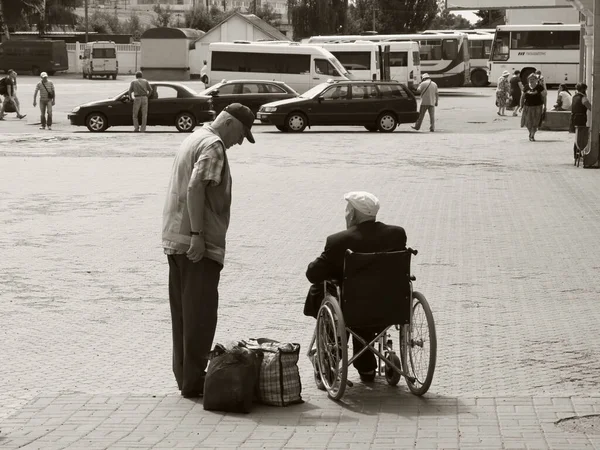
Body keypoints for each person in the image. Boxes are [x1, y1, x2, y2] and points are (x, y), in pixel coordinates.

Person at [162, 103, 255, 399]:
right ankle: (193, 381)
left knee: (183, 315)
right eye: (241, 133)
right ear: (228, 123)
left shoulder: (194, 136)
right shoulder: (214, 145)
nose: (240, 141)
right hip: (196, 245)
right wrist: (198, 236)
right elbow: (195, 188)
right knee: (200, 315)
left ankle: (184, 377)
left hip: (175, 239)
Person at [304, 191, 407, 382]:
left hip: (351, 307)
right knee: (366, 298)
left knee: (323, 290)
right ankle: (366, 366)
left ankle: (330, 356)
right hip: (391, 307)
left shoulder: (339, 241)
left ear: (352, 214)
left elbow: (313, 274)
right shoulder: (397, 234)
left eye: (347, 210)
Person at [519, 74, 546, 142]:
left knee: (535, 122)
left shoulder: (540, 87)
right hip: (527, 107)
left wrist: (545, 106)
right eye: (530, 79)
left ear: (536, 80)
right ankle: (530, 132)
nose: (531, 80)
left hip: (537, 107)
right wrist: (521, 106)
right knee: (527, 122)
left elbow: (544, 97)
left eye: (533, 79)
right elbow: (522, 97)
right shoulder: (526, 87)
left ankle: (532, 135)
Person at [571, 83, 592, 160]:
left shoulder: (574, 97)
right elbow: (590, 107)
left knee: (577, 135)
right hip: (581, 118)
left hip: (574, 118)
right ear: (583, 89)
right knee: (581, 136)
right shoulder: (583, 98)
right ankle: (578, 153)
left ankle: (576, 153)